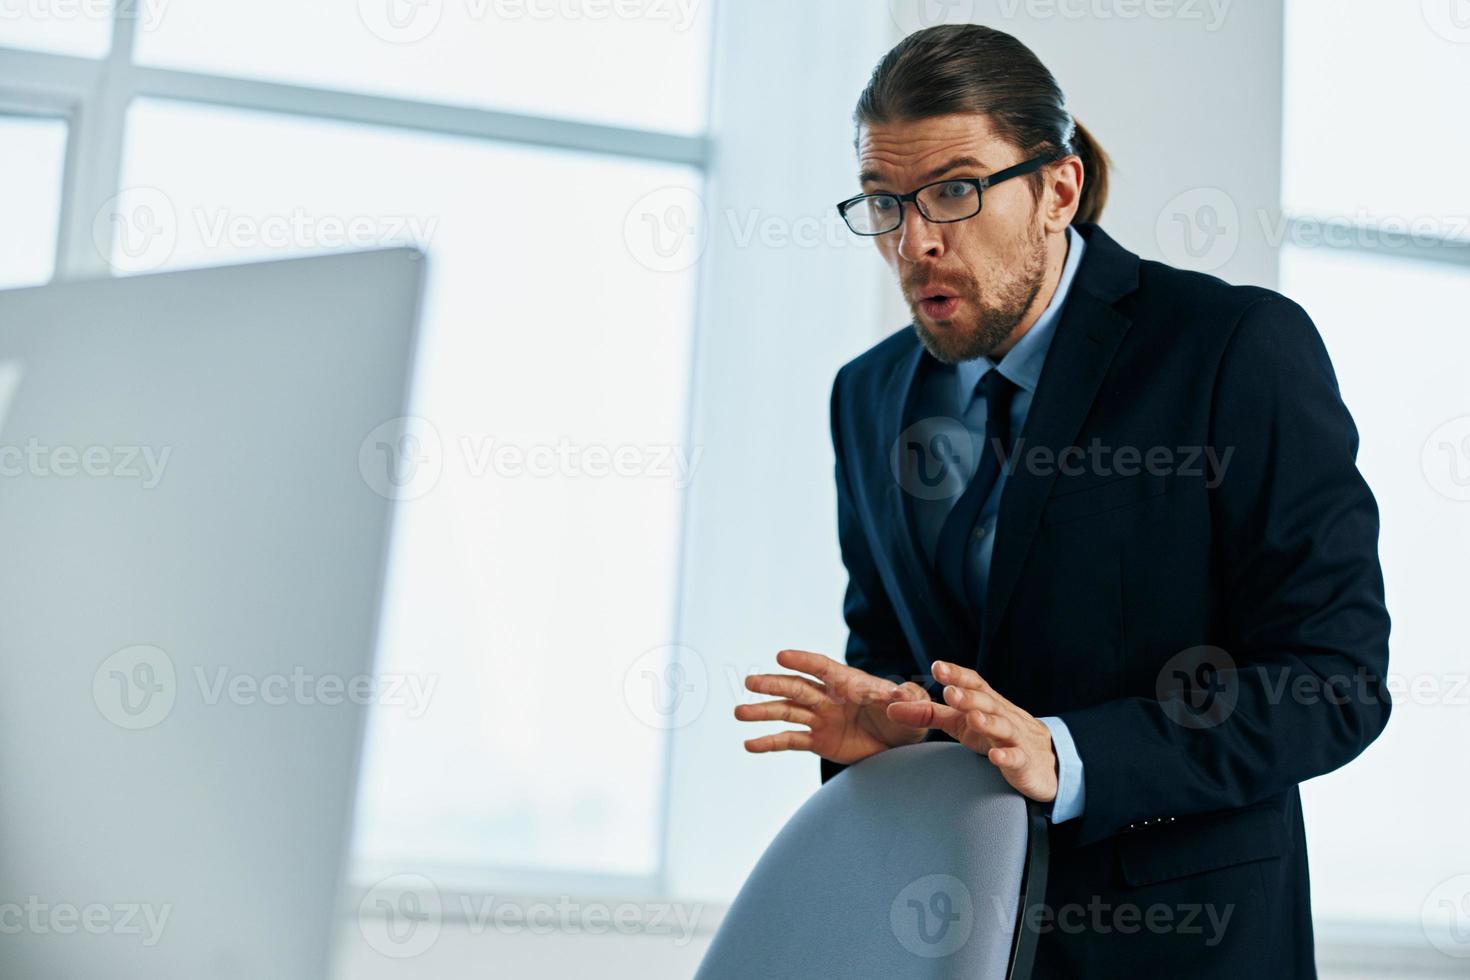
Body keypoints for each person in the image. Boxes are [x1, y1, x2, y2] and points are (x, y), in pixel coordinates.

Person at [733, 24, 1391, 977]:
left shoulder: (1233, 349)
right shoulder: (866, 396)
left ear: (1059, 189)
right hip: (945, 943)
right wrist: (887, 731)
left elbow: (1335, 682)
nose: (917, 241)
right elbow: (892, 652)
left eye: (955, 191)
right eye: (885, 203)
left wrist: (1070, 752)